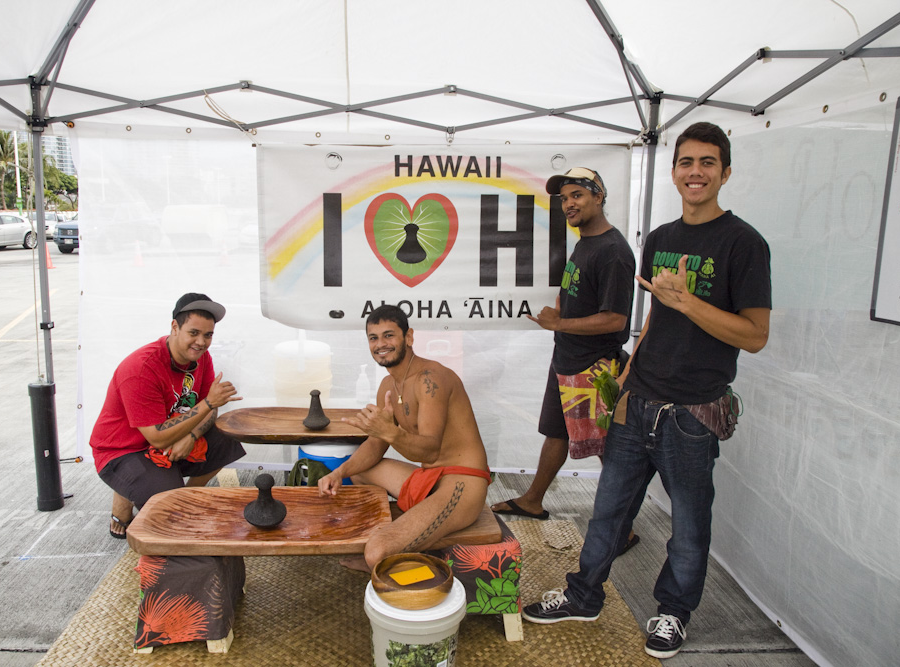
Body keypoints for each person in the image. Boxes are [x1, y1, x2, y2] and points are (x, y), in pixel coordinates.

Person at [522, 122, 772, 661]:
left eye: (707, 163)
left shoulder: (745, 244)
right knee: (608, 511)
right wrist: (626, 388)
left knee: (687, 524)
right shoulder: (659, 240)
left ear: (725, 173)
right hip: (639, 403)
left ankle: (672, 614)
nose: (695, 172)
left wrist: (690, 304)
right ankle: (585, 594)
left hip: (694, 414)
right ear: (675, 172)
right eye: (686, 163)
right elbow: (654, 321)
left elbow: (755, 336)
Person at [490, 166, 639, 555]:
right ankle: (533, 500)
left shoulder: (614, 252)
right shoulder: (585, 242)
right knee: (555, 431)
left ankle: (623, 530)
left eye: (578, 195)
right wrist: (561, 318)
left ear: (599, 196)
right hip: (568, 359)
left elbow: (616, 319)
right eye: (564, 198)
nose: (569, 204)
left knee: (609, 449)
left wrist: (562, 322)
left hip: (594, 368)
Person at [318, 305, 491, 572]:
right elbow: (376, 445)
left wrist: (389, 431)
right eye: (373, 338)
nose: (381, 344)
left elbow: (430, 450)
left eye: (389, 335)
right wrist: (339, 472)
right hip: (430, 480)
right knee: (361, 471)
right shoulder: (388, 385)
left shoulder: (430, 379)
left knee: (376, 552)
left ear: (408, 337)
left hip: (463, 484)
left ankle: (409, 560)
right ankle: (401, 539)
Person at [90, 293, 245, 539]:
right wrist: (207, 403)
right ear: (175, 327)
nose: (201, 342)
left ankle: (187, 499)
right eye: (193, 333)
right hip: (123, 450)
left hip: (166, 439)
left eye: (208, 335)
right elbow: (159, 437)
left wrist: (192, 435)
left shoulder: (201, 358)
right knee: (171, 514)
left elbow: (212, 410)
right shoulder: (141, 368)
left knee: (226, 438)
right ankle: (126, 498)